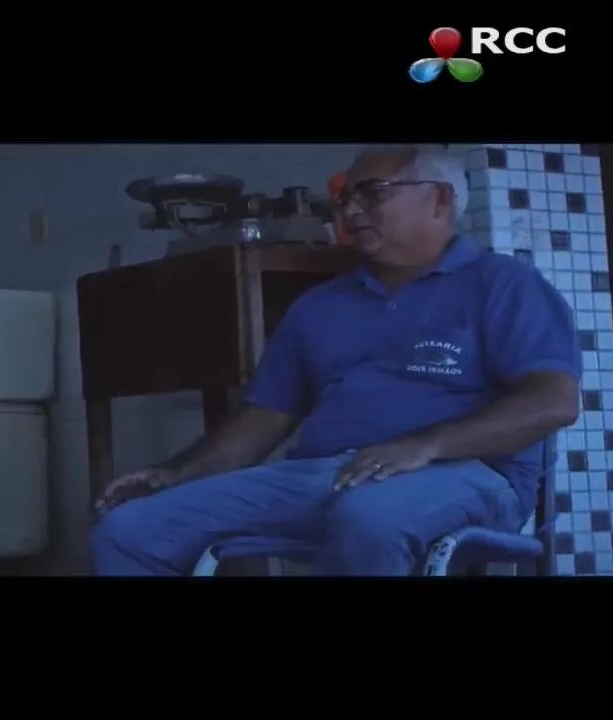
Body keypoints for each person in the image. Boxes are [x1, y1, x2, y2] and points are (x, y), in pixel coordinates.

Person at [89, 145, 581, 576]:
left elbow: (553, 401)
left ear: (440, 199)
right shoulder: (319, 306)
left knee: (368, 516)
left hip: (468, 475)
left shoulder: (504, 285)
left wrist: (426, 445)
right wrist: (176, 473)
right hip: (326, 477)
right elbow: (266, 415)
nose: (351, 210)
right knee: (127, 531)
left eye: (372, 194)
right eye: (346, 198)